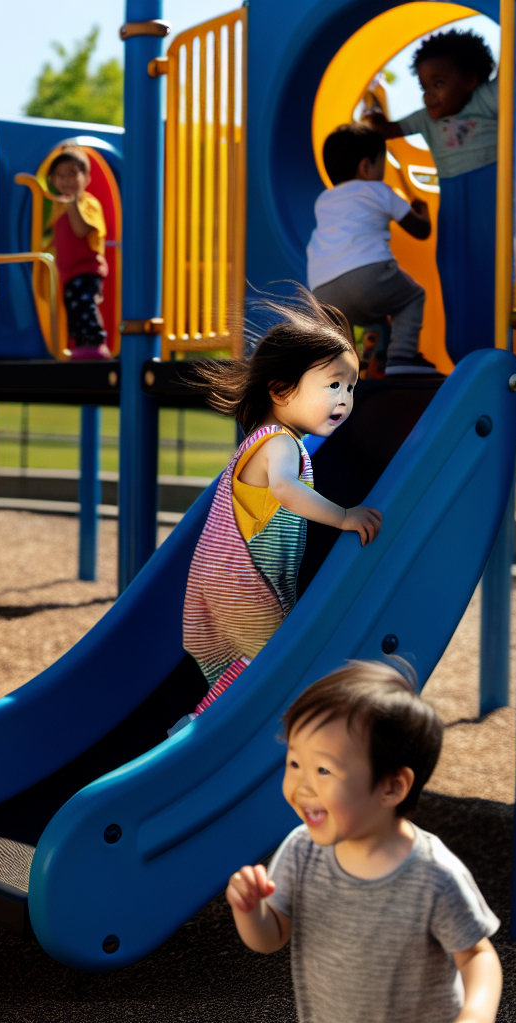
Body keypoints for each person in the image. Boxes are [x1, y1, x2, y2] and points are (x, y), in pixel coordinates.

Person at [226, 661, 502, 1023]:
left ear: (391, 787)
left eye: (323, 770)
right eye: (294, 763)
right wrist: (251, 911)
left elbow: (478, 956)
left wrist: (475, 1015)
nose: (303, 786)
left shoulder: (433, 876)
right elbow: (272, 936)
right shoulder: (301, 851)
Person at [181, 296, 383, 724]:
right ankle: (199, 727)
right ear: (279, 389)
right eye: (333, 385)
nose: (345, 399)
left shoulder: (263, 439)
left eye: (351, 387)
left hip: (225, 581)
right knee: (270, 661)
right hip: (242, 586)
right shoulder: (279, 443)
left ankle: (209, 720)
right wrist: (345, 517)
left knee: (264, 658)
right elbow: (287, 491)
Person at [364, 29, 499, 367]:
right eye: (424, 87)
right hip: (453, 198)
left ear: (470, 80)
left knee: (489, 262)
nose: (429, 96)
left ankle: (495, 340)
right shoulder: (425, 119)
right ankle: (462, 348)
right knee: (452, 263)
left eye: (438, 84)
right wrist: (376, 116)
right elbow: (391, 130)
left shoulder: (485, 99)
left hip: (489, 192)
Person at [308, 124, 434, 376]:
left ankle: (344, 368)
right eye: (381, 163)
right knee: (411, 298)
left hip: (322, 287)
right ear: (366, 167)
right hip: (368, 275)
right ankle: (402, 358)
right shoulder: (379, 191)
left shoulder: (324, 200)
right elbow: (420, 230)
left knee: (357, 323)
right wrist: (423, 212)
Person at [48, 146, 112, 360]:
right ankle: (81, 347)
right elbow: (58, 237)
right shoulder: (58, 207)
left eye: (73, 174)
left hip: (87, 269)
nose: (66, 180)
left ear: (86, 177)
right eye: (60, 175)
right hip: (68, 273)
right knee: (73, 311)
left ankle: (96, 344)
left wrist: (74, 201)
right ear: (53, 180)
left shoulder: (88, 203)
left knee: (86, 306)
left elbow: (80, 229)